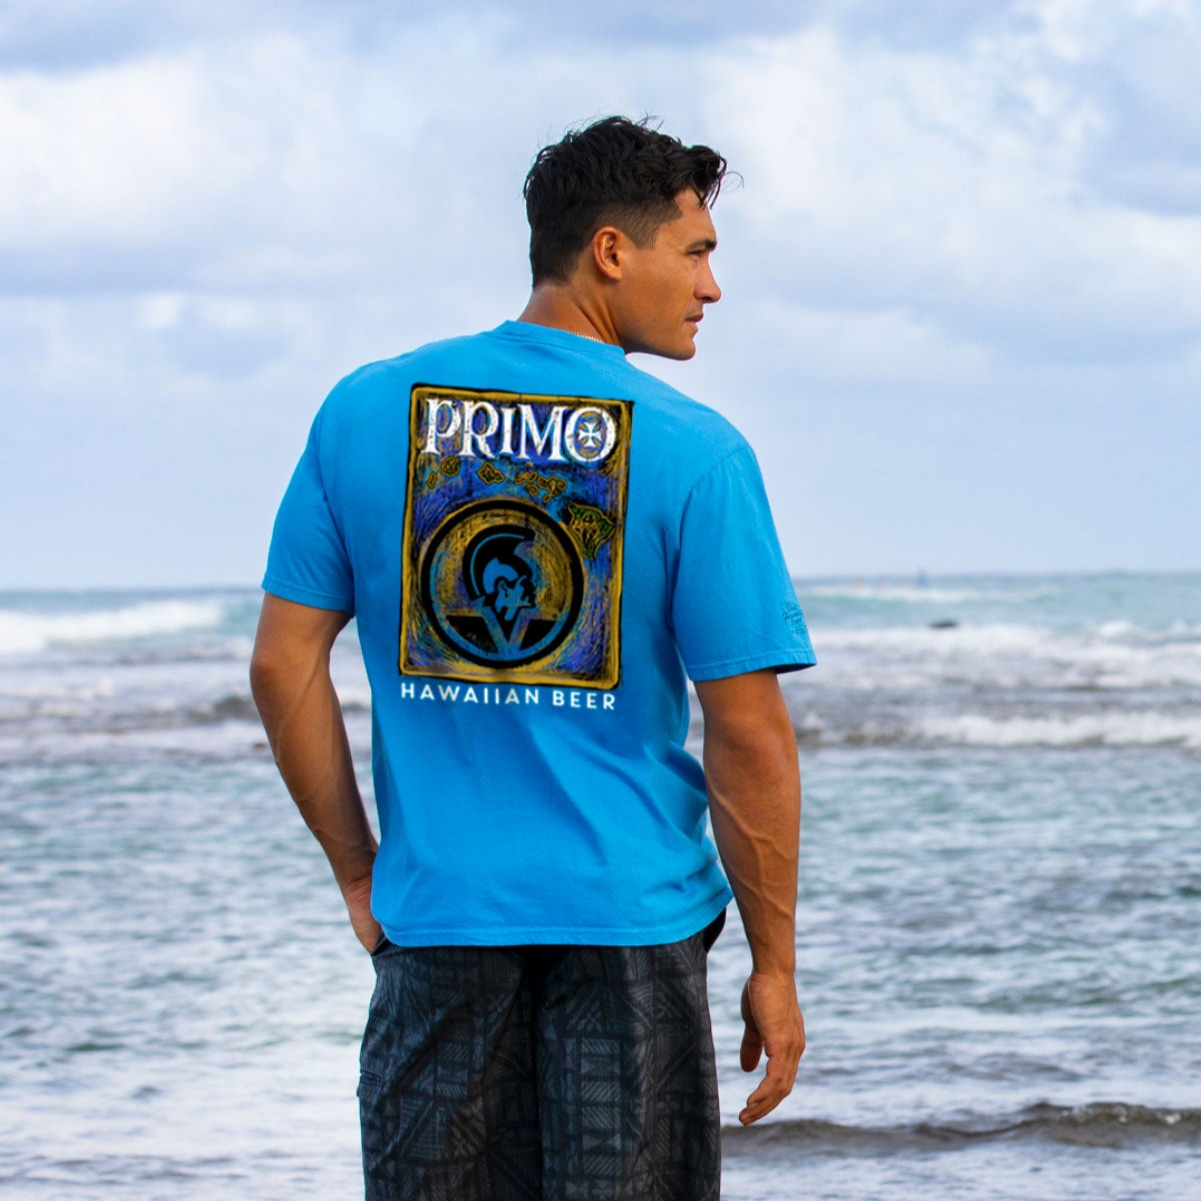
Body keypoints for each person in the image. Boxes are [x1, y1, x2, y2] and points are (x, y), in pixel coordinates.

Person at [250, 115, 816, 1201]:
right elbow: (746, 731)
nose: (713, 286)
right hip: (629, 930)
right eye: (695, 251)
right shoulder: (697, 450)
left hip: (437, 922)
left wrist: (357, 867)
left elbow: (283, 664)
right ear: (612, 249)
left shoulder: (366, 410)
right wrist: (775, 966)